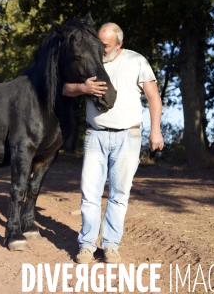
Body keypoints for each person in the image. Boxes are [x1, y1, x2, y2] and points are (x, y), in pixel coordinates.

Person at [62, 22, 164, 264]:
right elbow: (64, 88)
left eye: (105, 46)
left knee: (119, 195)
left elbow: (153, 97)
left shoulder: (136, 61)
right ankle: (86, 245)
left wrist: (156, 131)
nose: (101, 49)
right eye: (98, 44)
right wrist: (82, 87)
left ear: (120, 44)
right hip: (95, 135)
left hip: (128, 137)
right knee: (90, 194)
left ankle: (110, 246)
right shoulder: (87, 59)